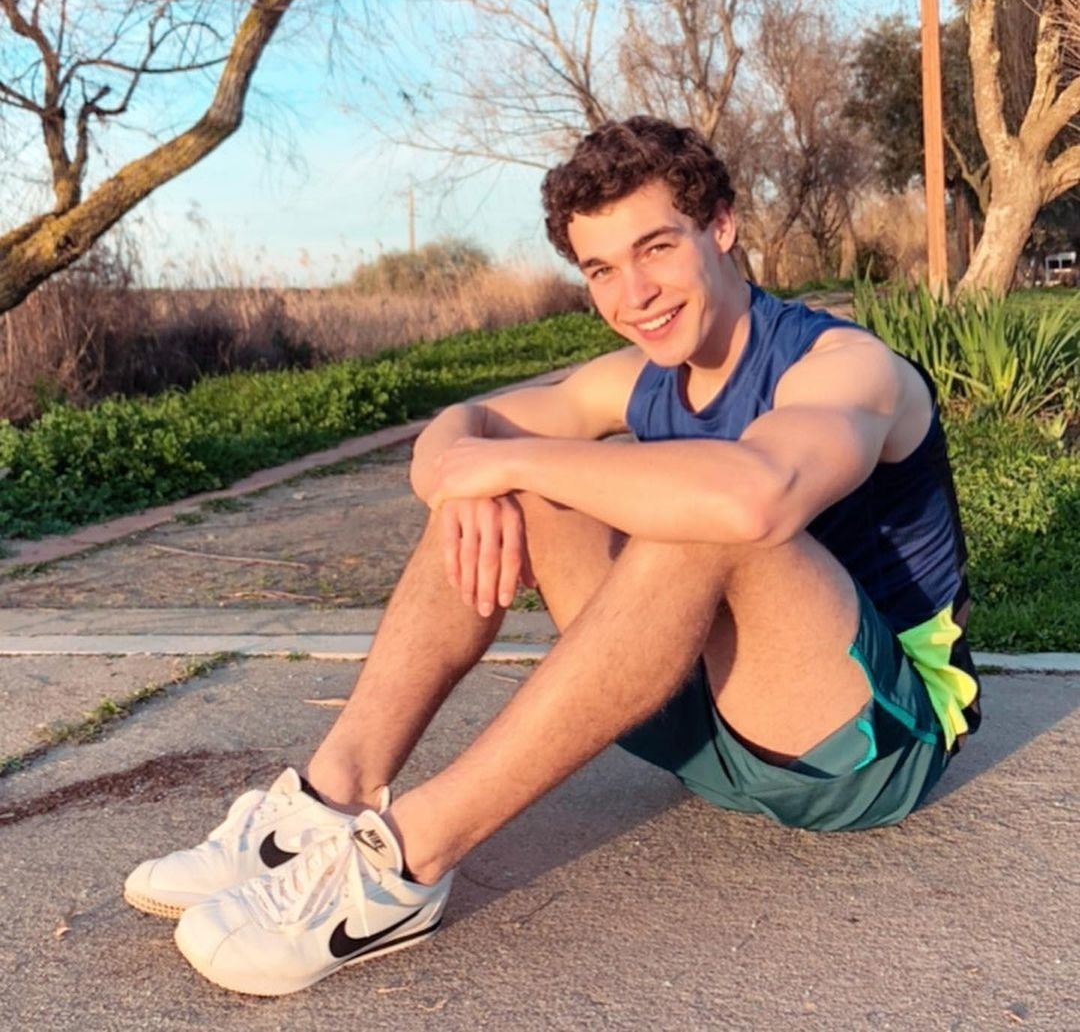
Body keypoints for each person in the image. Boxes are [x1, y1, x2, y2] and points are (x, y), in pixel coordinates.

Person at [124, 116, 981, 997]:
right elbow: (462, 426)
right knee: (518, 492)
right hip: (698, 726)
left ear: (721, 225)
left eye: (656, 248)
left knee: (703, 513)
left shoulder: (845, 365)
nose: (634, 294)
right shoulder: (639, 378)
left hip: (866, 751)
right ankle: (327, 797)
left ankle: (403, 864)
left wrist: (509, 460)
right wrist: (472, 482)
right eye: (602, 269)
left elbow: (755, 496)